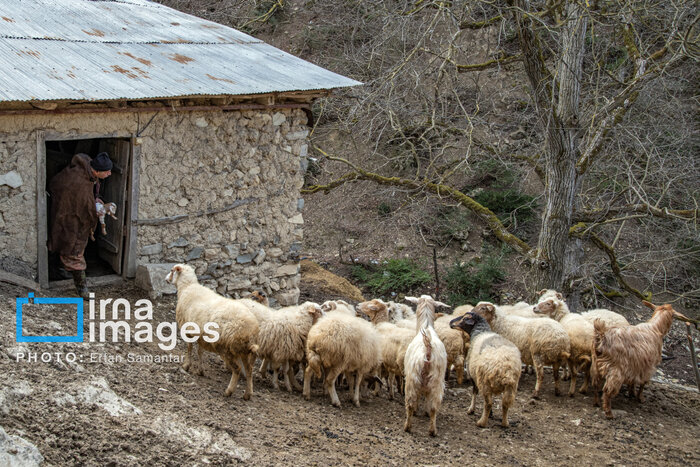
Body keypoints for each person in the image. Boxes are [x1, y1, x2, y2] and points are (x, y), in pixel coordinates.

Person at [48, 152, 113, 298]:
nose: (109, 173)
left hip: (72, 213)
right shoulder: (79, 183)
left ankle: (60, 270)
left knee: (69, 246)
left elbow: (89, 197)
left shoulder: (89, 174)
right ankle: (82, 289)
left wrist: (96, 199)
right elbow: (85, 206)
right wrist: (97, 209)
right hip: (69, 217)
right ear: (96, 171)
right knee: (74, 249)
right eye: (107, 171)